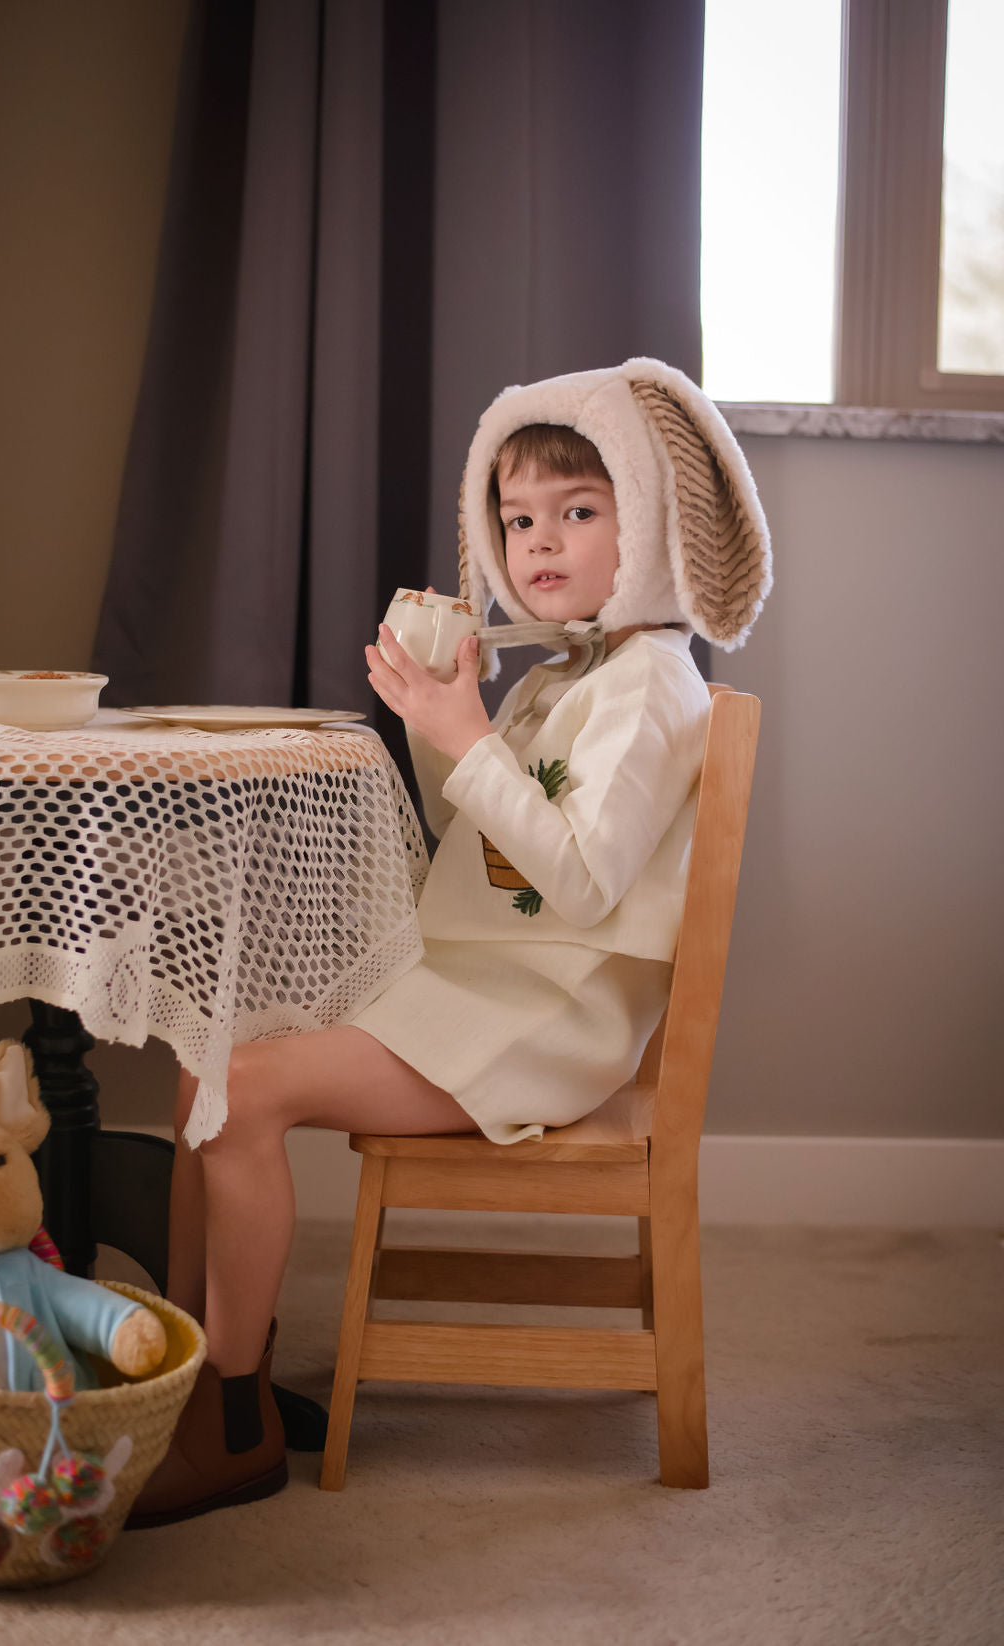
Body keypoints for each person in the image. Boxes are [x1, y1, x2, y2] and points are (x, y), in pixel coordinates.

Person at [126, 357, 772, 1527]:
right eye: (518, 517)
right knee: (204, 1060)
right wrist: (447, 712)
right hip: (482, 985)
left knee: (233, 1084)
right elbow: (483, 844)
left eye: (579, 510)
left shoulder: (651, 688)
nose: (539, 541)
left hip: (543, 1022)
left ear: (654, 519)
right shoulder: (566, 677)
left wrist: (464, 729)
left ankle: (231, 1418)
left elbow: (574, 882)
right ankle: (197, 1374)